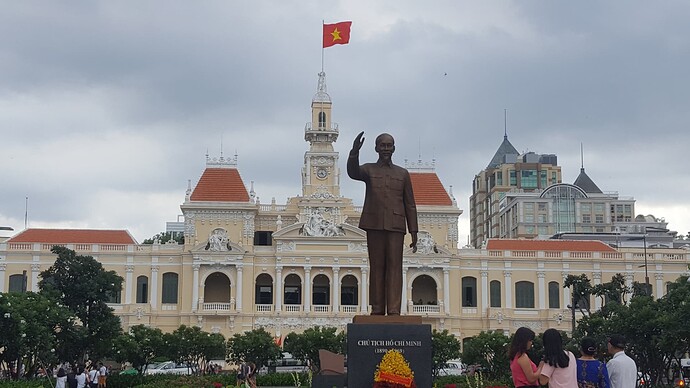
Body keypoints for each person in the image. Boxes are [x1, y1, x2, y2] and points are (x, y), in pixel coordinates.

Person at [347, 132, 418, 315]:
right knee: (377, 266)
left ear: (394, 148)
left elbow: (410, 203)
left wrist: (414, 231)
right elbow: (352, 172)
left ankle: (394, 309)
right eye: (382, 145)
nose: (386, 148)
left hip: (396, 225)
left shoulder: (402, 173)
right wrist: (354, 152)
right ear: (376, 148)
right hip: (374, 223)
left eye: (389, 145)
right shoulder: (369, 170)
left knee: (395, 266)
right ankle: (377, 308)